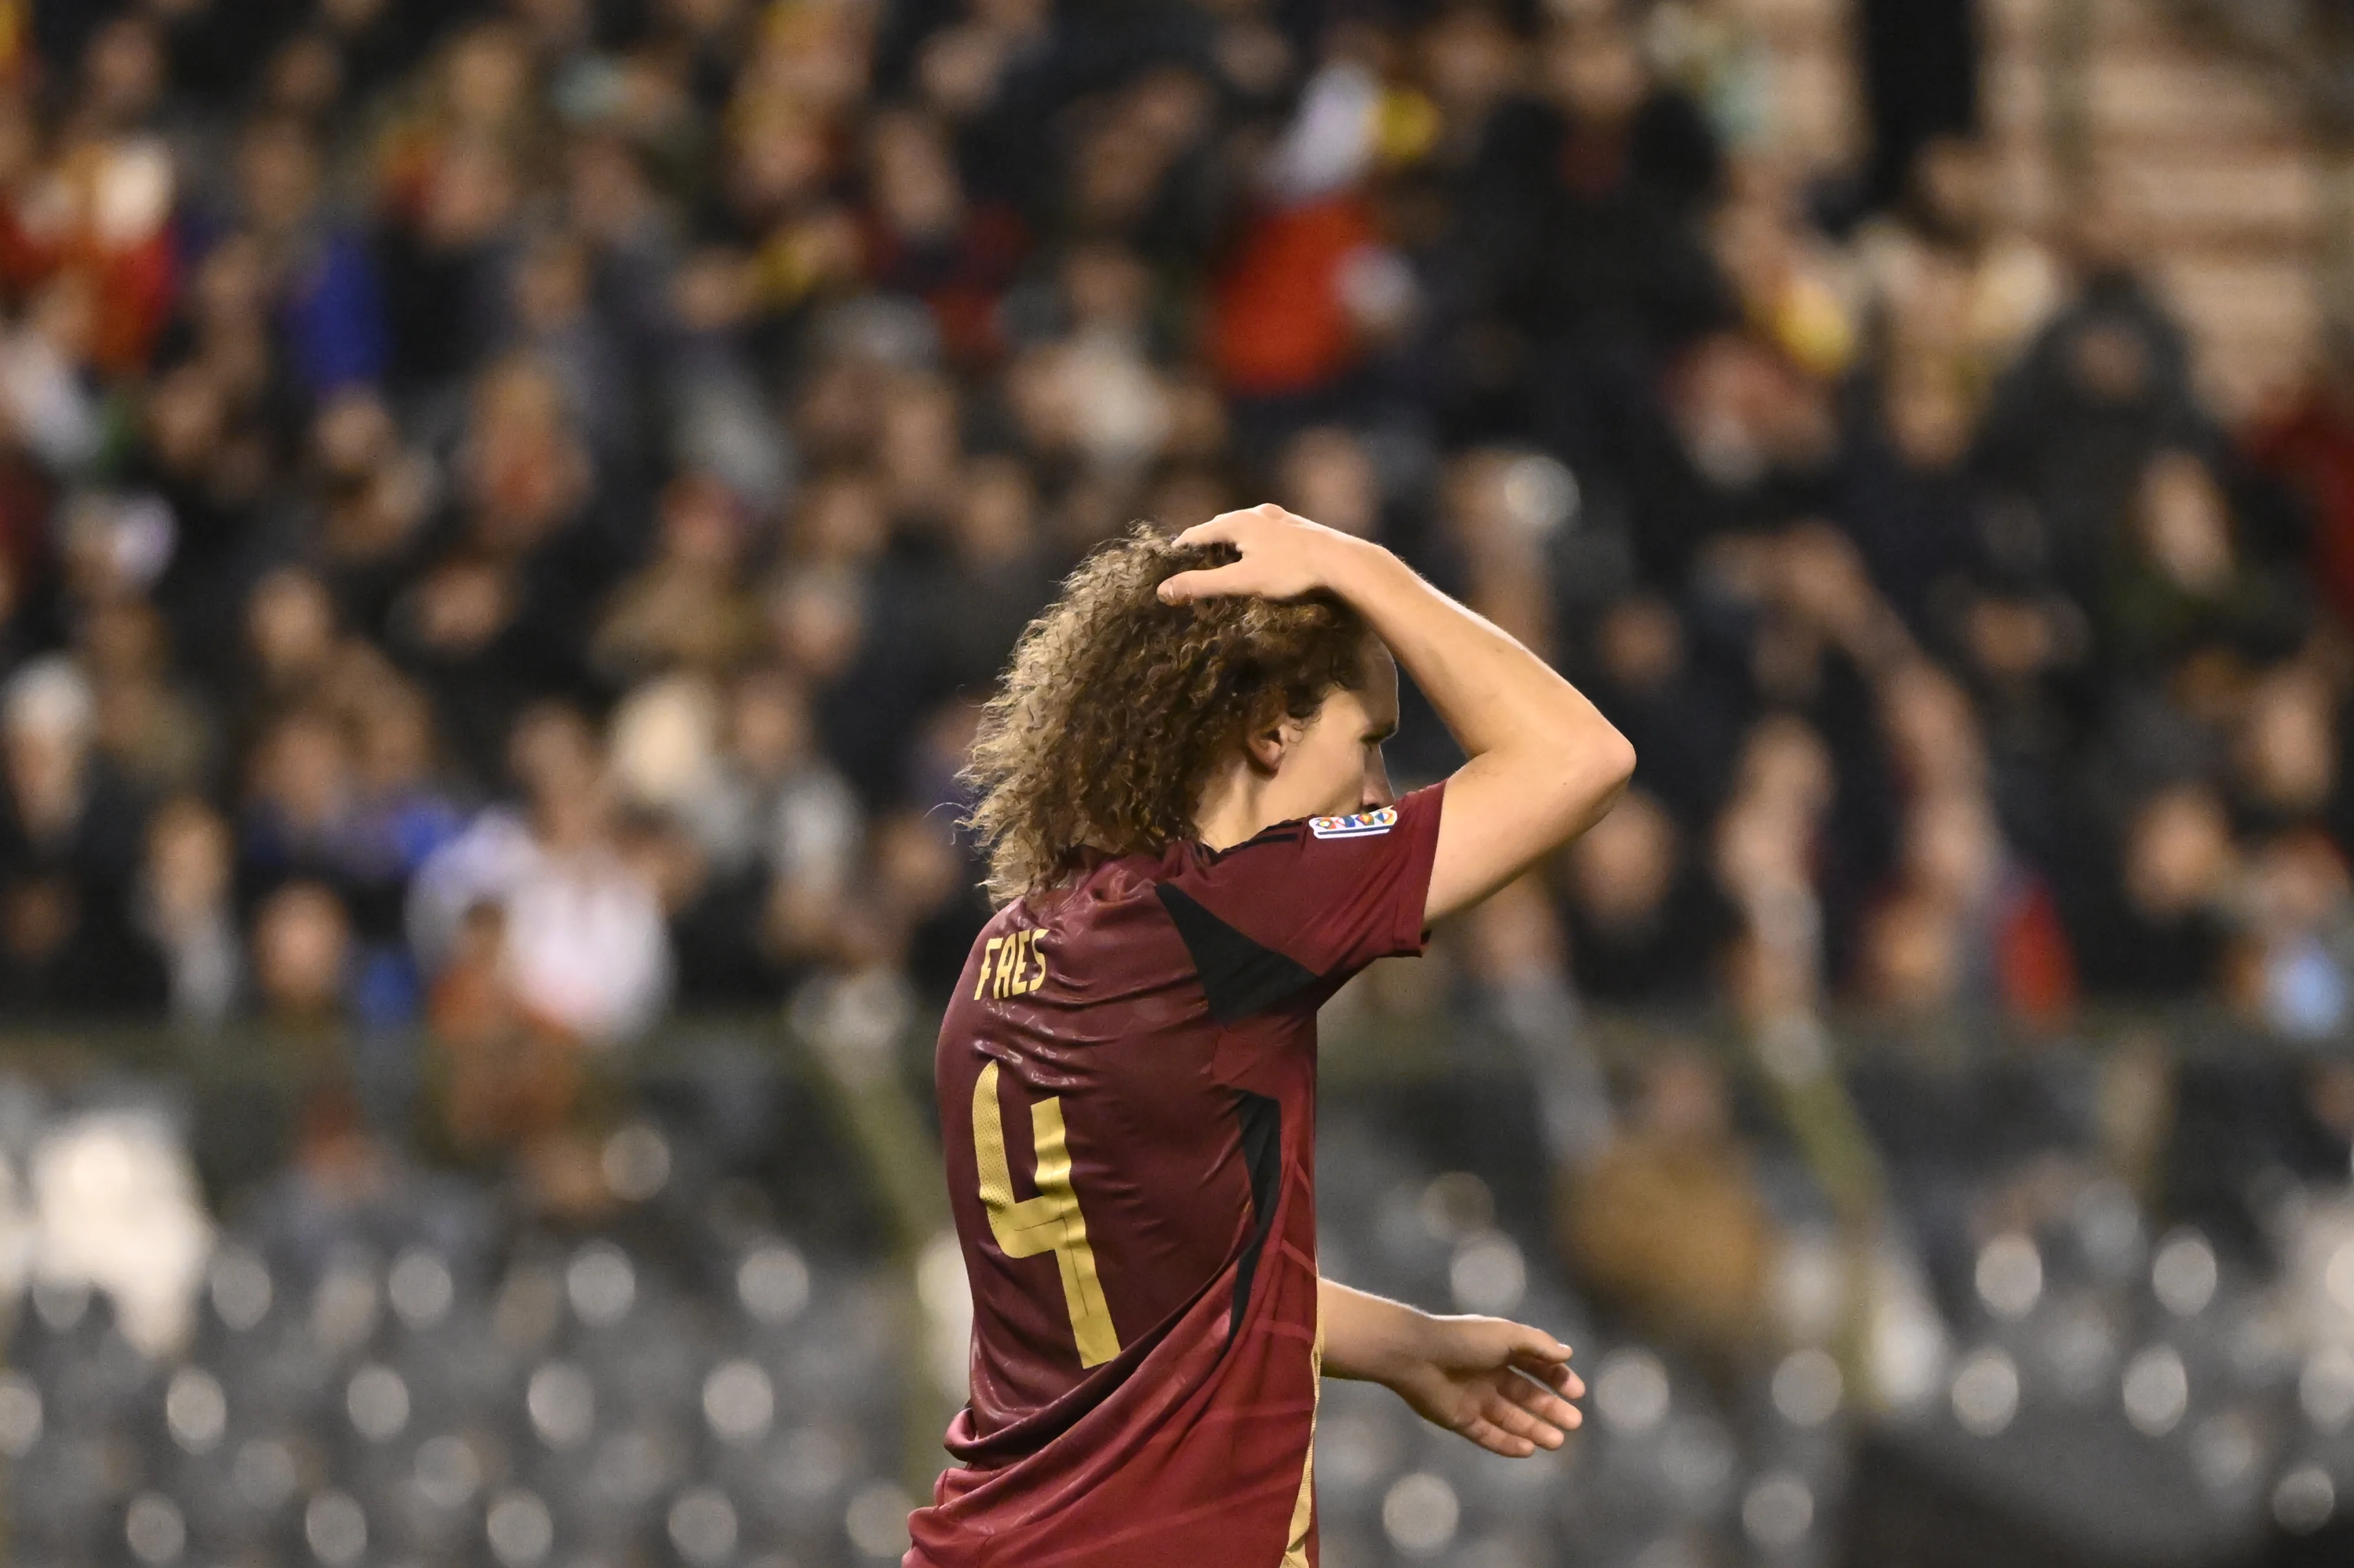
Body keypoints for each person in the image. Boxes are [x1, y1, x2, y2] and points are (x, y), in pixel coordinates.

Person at [908, 504, 1636, 1566]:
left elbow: (1164, 1291)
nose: (1385, 794)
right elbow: (1581, 756)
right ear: (1272, 730)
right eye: (1373, 742)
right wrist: (1363, 562)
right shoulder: (1236, 916)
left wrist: (1404, 1346)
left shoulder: (1009, 952)